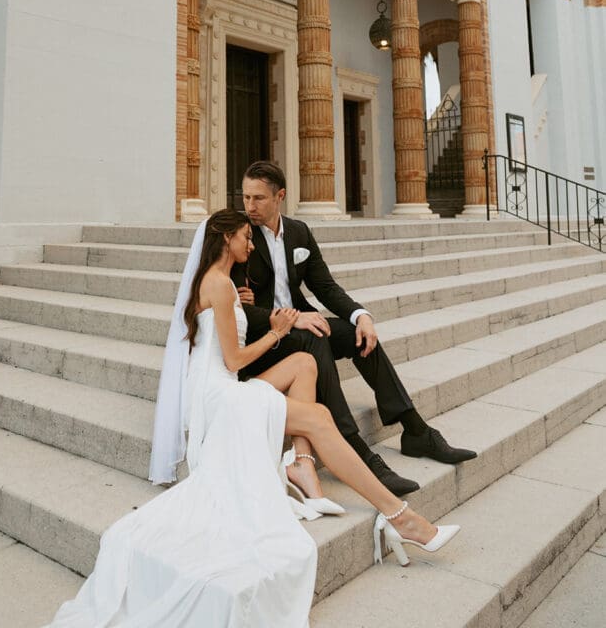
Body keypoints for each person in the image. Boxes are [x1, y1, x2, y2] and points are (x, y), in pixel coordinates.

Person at [44, 210, 459, 628]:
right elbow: (234, 360)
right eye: (245, 236)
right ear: (225, 238)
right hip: (218, 396)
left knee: (304, 364)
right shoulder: (217, 284)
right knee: (317, 417)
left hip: (219, 386)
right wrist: (277, 331)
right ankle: (398, 516)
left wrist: (255, 314)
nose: (250, 243)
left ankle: (302, 464)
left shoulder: (222, 283)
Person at [233, 161, 477, 497]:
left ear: (280, 197)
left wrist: (360, 315)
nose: (250, 206)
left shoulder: (299, 232)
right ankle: (355, 448)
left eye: (258, 198)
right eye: (246, 197)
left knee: (359, 336)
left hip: (301, 326)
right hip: (266, 339)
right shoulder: (240, 235)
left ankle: (416, 430)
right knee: (314, 337)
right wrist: (287, 317)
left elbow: (325, 286)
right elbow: (236, 307)